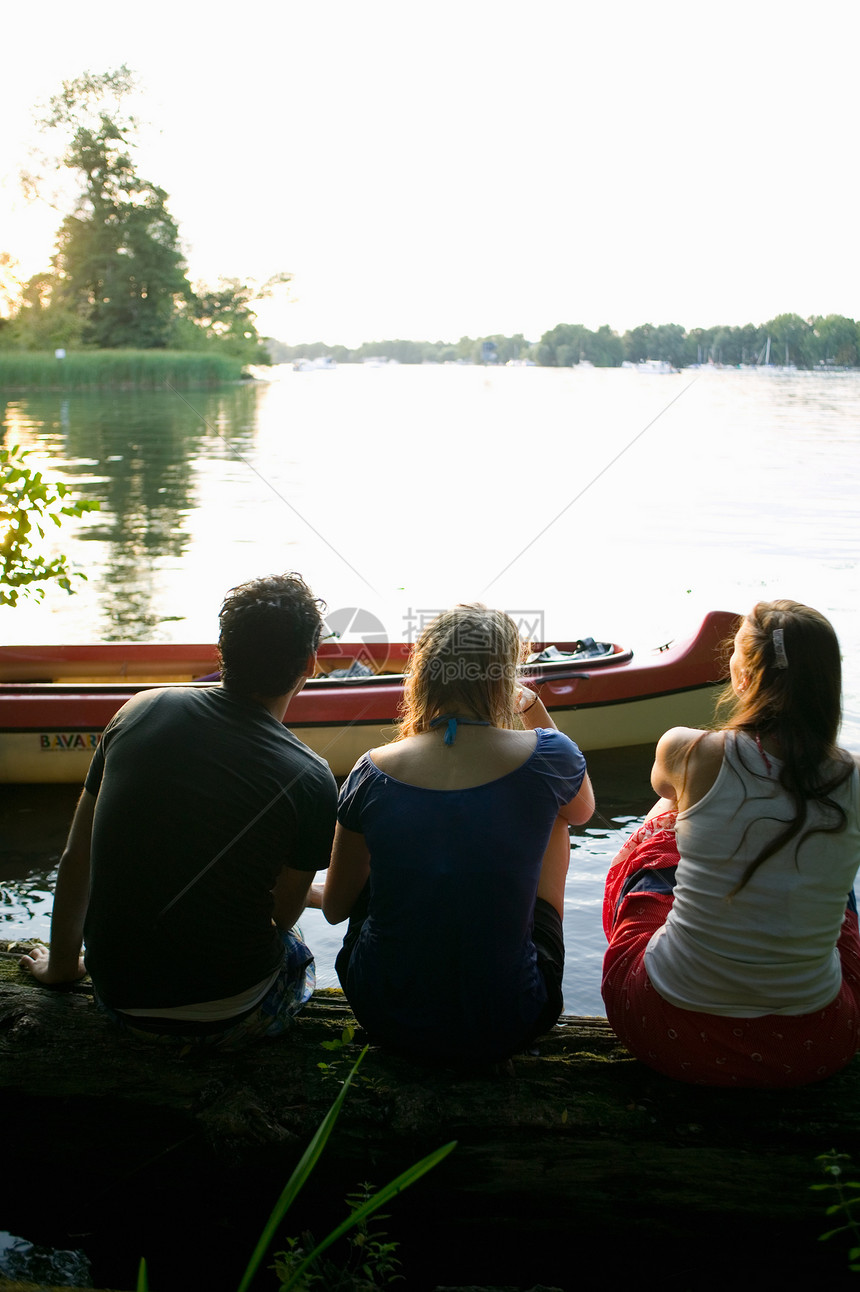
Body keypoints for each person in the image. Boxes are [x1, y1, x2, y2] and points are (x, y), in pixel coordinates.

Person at [20, 572, 338, 1049]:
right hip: (230, 1014)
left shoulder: (136, 711)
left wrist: (63, 966)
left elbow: (76, 859)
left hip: (116, 999)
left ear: (222, 649)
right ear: (310, 663)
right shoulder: (313, 778)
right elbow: (278, 916)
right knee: (299, 954)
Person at [320, 603, 595, 1064]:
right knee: (556, 819)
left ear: (423, 676)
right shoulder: (550, 755)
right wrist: (534, 708)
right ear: (504, 679)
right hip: (511, 1016)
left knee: (384, 854)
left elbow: (334, 911)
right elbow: (582, 811)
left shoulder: (371, 771)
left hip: (383, 1012)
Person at [602, 599, 860, 1088]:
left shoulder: (688, 748)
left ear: (742, 678)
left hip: (668, 1026)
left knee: (666, 821)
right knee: (837, 875)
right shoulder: (854, 778)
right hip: (815, 1043)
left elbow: (667, 797)